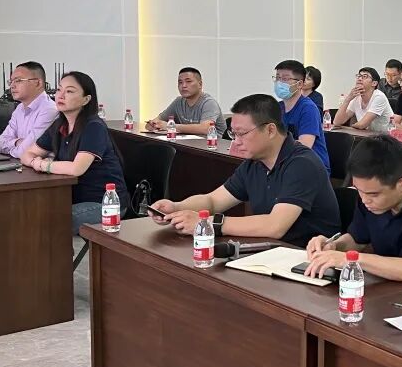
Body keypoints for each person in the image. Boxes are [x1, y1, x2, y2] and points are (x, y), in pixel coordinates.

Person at [149, 94, 341, 246]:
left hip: (306, 258)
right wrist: (177, 207)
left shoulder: (302, 164)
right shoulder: (255, 163)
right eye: (233, 134)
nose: (236, 141)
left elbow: (275, 226)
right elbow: (213, 201)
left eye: (242, 134)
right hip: (271, 251)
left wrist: (207, 223)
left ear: (270, 130)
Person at [303, 136, 402, 281]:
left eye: (373, 194)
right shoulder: (368, 194)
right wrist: (333, 246)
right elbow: (357, 239)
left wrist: (352, 259)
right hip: (385, 287)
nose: (364, 200)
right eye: (359, 190)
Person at [22, 71, 129, 235]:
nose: (61, 95)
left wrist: (42, 164)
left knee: (49, 223)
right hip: (73, 198)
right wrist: (35, 162)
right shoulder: (60, 125)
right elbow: (27, 154)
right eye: (59, 89)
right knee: (28, 213)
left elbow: (76, 168)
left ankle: (60, 253)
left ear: (86, 99)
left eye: (70, 91)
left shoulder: (93, 127)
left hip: (105, 203)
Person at [273, 59, 330, 173]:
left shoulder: (308, 109)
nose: (279, 82)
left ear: (299, 84)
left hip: (311, 168)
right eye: (277, 78)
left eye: (285, 79)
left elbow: (304, 147)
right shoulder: (277, 108)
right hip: (285, 165)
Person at [0, 61, 57, 159]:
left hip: (39, 167)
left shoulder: (49, 110)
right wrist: (17, 142)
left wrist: (12, 147)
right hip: (19, 164)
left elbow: (26, 152)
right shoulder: (19, 109)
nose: (12, 86)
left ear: (38, 83)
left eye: (18, 80)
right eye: (11, 81)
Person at [146, 67, 225, 136]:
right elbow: (156, 121)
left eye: (188, 81)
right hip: (188, 144)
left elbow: (206, 128)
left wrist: (170, 126)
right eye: (180, 82)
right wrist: (153, 124)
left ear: (200, 84)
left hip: (213, 145)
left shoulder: (209, 103)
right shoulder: (178, 102)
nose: (183, 86)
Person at [333, 67, 392, 132]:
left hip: (384, 136)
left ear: (374, 83)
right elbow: (337, 122)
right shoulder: (356, 97)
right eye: (359, 76)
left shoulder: (379, 97)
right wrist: (348, 99)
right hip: (365, 135)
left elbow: (362, 125)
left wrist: (349, 128)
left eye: (364, 76)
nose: (360, 79)